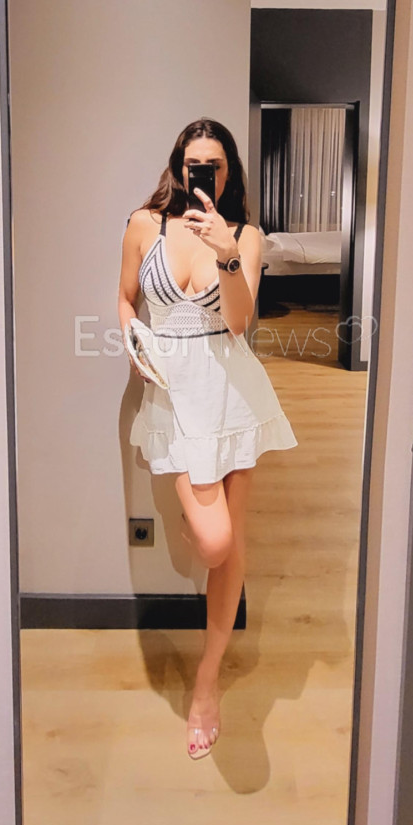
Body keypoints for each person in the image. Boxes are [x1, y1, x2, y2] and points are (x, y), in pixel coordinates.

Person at [118, 117, 298, 760]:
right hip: (174, 396)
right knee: (214, 542)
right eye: (195, 162)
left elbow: (239, 322)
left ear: (229, 172)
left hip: (232, 393)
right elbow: (125, 299)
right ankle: (197, 528)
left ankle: (206, 682)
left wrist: (226, 251)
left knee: (231, 544)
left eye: (216, 165)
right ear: (178, 165)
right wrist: (133, 340)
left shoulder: (245, 235)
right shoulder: (143, 224)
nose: (205, 174)